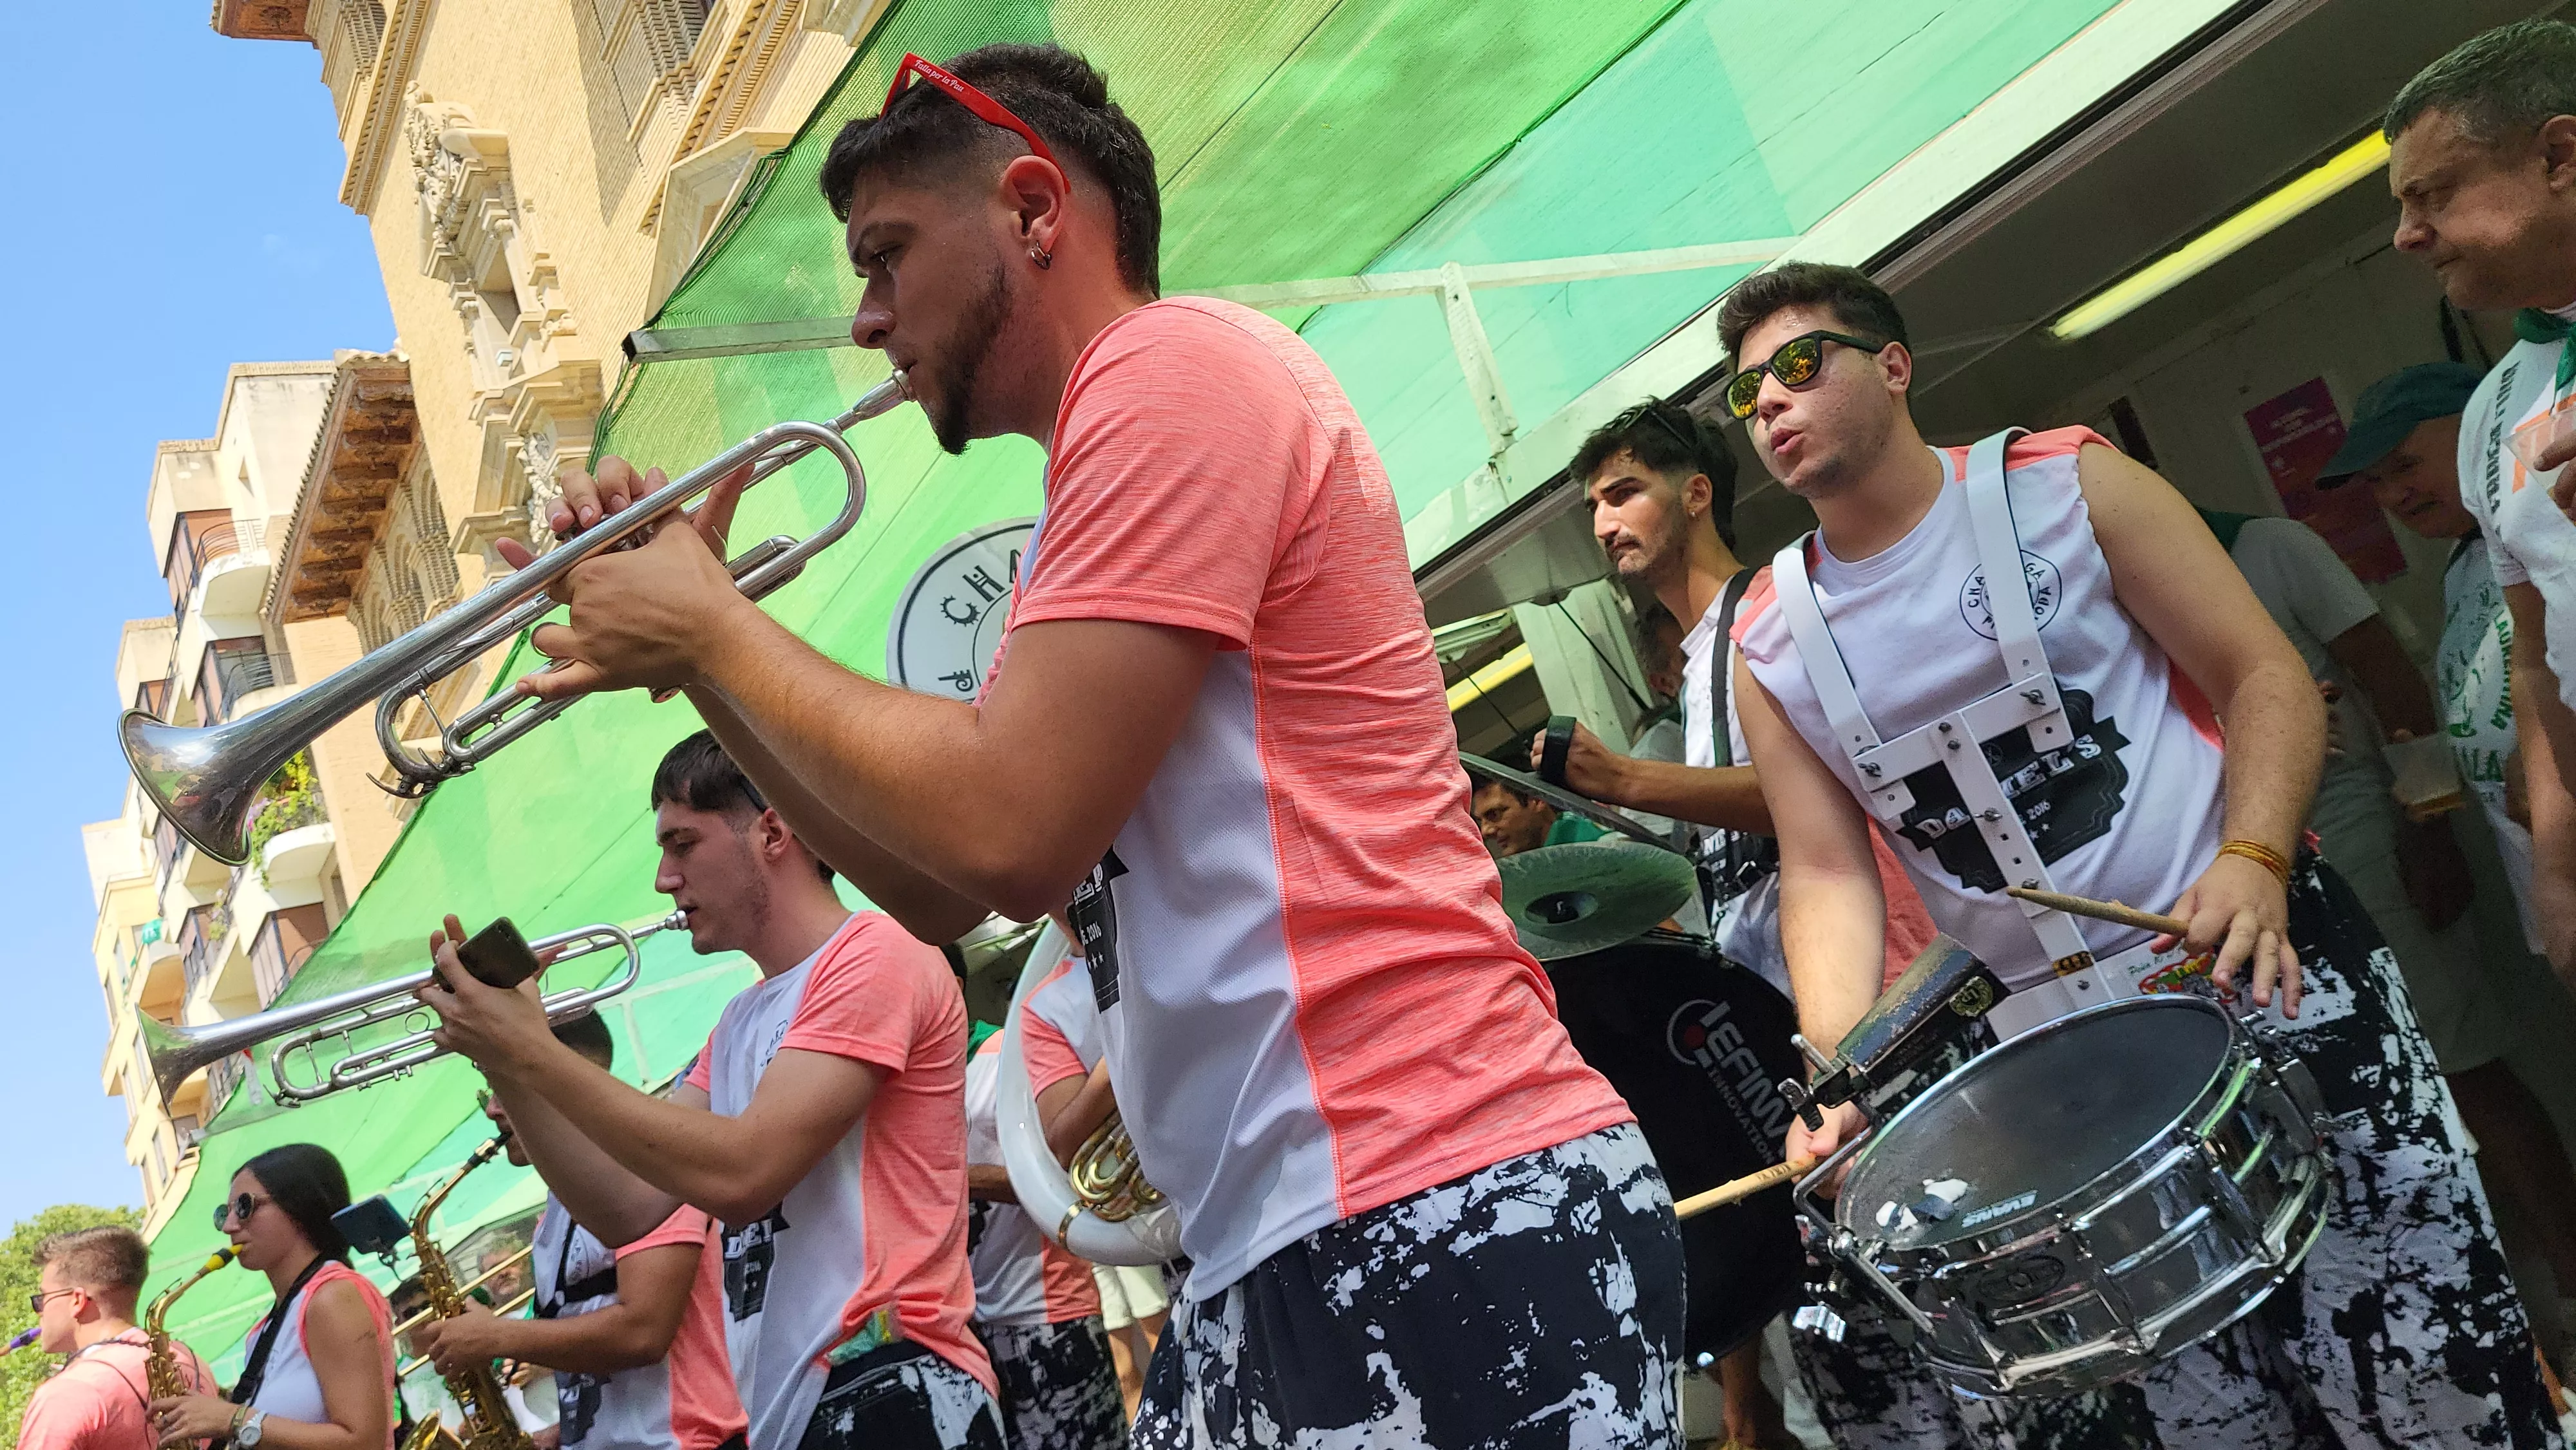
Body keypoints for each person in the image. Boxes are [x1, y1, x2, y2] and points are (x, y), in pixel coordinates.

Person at [503, 42, 1676, 1447]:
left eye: (884, 257)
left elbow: (1009, 821)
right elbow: (951, 891)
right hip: (1277, 1233)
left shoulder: (1169, 366)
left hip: (1424, 1176)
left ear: (1032, 210)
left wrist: (712, 635)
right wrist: (709, 673)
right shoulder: (1085, 497)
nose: (867, 322)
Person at [1721, 261, 2554, 1445]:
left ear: (1894, 365)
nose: (1770, 406)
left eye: (1798, 367)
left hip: (2262, 976)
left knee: (2432, 1370)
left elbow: (2265, 674)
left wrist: (2256, 854)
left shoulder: (2066, 483)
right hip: (2059, 1075)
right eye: (1746, 395)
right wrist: (1840, 1074)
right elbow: (1827, 869)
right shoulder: (1768, 637)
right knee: (2211, 1418)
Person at [423, 731, 1002, 1450]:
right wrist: (504, 1063)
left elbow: (744, 1173)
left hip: (891, 1380)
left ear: (772, 829)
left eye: (683, 843)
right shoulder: (735, 1022)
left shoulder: (874, 953)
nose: (664, 877)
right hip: (798, 1409)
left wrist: (531, 1048)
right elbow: (629, 1210)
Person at [2330, 360, 2576, 1345]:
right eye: (2379, 484)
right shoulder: (2474, 565)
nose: (2397, 497)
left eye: (2406, 465)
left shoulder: (2548, 521)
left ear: (2473, 429)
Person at [2387, 19, 2576, 972]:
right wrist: (2559, 877)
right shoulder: (2494, 410)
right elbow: (2539, 664)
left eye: (2436, 193)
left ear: (2558, 155)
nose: (2406, 234)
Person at [412, 1013, 746, 1450]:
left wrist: (496, 1337)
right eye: (490, 1091)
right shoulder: (555, 1213)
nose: (493, 1109)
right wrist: (557, 1436)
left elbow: (645, 1332)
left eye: (508, 1084)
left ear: (571, 1079)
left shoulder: (643, 1173)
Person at [151, 1145, 398, 1450]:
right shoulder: (265, 1330)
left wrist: (232, 1419)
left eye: (245, 1206)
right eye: (223, 1213)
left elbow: (363, 1442)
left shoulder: (332, 1296)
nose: (229, 1226)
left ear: (299, 1207)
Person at [1015, 941, 1164, 1421]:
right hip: (1147, 1222)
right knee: (1152, 1354)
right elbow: (1062, 1142)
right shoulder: (1045, 1004)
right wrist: (1121, 1052)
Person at [962, 1022, 1128, 1450]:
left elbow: (1063, 1179)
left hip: (1045, 1312)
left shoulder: (1007, 1053)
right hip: (971, 1329)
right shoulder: (917, 1080)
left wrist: (957, 1180)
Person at [18, 1227, 216, 1450]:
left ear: (77, 1300)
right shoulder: (193, 1361)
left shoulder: (68, 1391)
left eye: (42, 1298)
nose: (39, 1311)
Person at [1472, 727, 1611, 858]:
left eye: (1494, 815)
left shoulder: (1601, 849)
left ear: (1537, 800)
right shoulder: (1537, 867)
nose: (1485, 831)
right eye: (1480, 821)